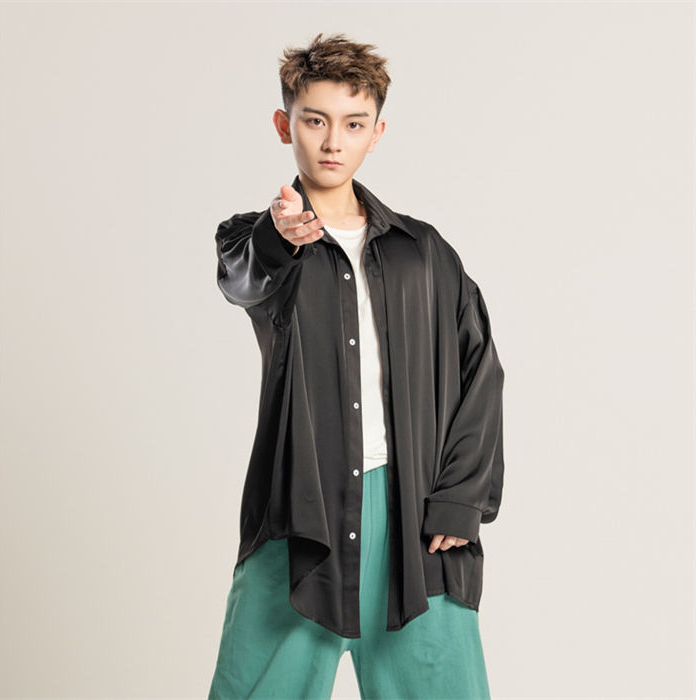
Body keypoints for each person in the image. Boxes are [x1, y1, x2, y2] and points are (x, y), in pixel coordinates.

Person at [208, 32, 505, 700]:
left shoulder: (424, 253)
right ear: (284, 124)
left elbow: (480, 373)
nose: (332, 142)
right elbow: (244, 277)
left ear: (377, 133)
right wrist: (279, 237)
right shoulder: (258, 240)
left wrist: (461, 500)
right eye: (314, 121)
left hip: (417, 527)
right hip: (301, 521)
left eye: (352, 124)